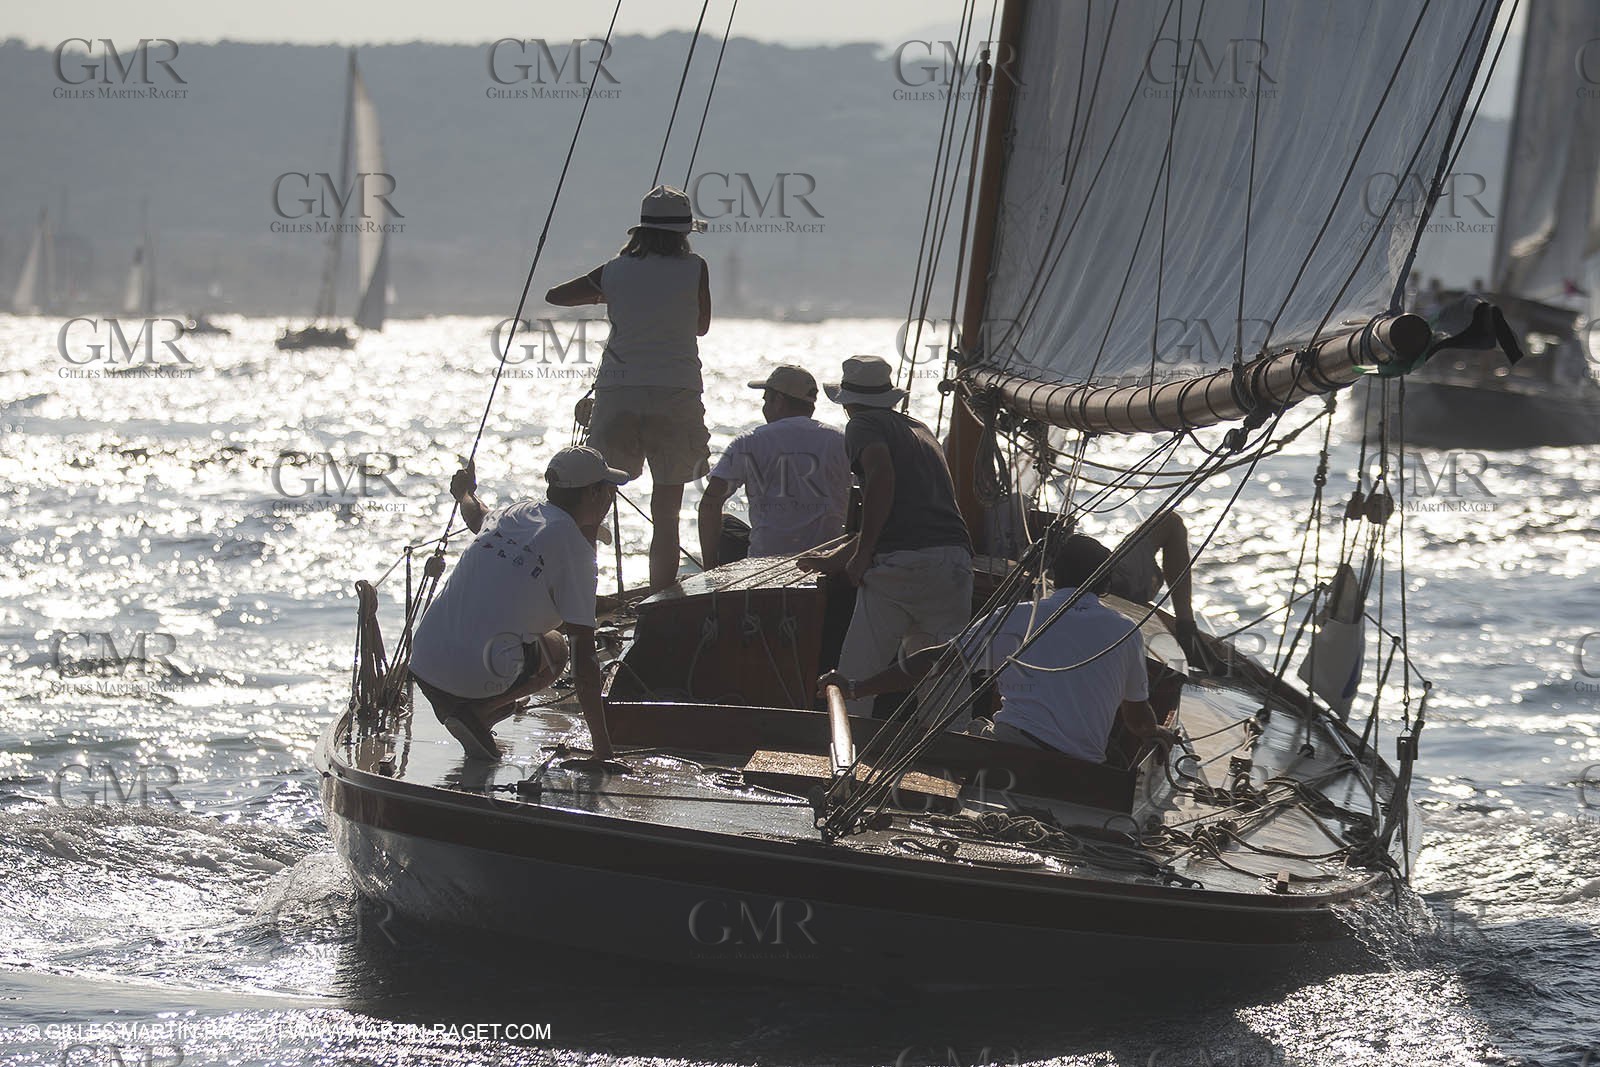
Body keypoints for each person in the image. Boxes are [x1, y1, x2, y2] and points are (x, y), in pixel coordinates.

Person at [819, 534, 1177, 763]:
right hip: (1081, 772)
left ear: (1052, 576)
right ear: (1105, 584)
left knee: (955, 740)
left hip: (1010, 756)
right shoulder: (1127, 632)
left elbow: (938, 662)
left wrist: (856, 688)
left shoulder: (1018, 616)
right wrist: (1156, 732)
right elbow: (1137, 720)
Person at [408, 446, 629, 761]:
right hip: (472, 678)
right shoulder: (575, 552)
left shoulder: (516, 512)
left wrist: (464, 493)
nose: (611, 497)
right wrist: (602, 750)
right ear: (593, 493)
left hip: (423, 663)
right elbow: (584, 659)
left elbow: (476, 514)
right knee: (558, 649)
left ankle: (468, 712)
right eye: (607, 489)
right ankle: (480, 712)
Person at [546, 185, 712, 592]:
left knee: (590, 508)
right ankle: (659, 600)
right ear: (683, 232)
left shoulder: (614, 270)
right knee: (667, 512)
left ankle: (579, 599)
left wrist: (613, 295)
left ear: (639, 230)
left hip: (619, 393)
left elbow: (556, 296)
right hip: (676, 392)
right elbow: (701, 326)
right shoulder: (696, 268)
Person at [797, 354, 973, 717]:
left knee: (855, 678)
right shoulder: (920, 429)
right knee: (944, 679)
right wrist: (840, 556)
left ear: (847, 402)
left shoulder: (863, 425)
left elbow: (880, 477)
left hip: (901, 566)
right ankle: (953, 763)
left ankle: (845, 759)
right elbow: (912, 511)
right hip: (952, 563)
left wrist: (862, 556)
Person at [697, 364, 850, 568]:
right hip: (827, 560)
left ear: (778, 401)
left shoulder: (749, 441)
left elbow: (710, 503)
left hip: (765, 562)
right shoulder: (840, 440)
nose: (764, 408)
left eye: (766, 400)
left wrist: (710, 569)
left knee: (725, 523)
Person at [1105, 510, 1211, 667]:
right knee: (1171, 522)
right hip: (1105, 582)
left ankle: (1186, 632)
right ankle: (1186, 631)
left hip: (1086, 575)